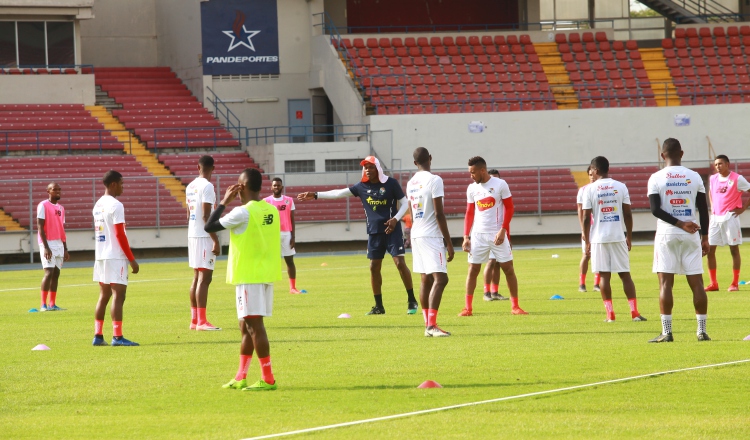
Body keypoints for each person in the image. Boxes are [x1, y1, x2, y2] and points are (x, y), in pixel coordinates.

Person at [298, 156, 417, 315]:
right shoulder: (361, 187)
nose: (367, 170)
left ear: (377, 168)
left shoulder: (390, 183)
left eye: (370, 167)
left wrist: (395, 220)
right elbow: (338, 193)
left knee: (399, 263)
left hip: (391, 230)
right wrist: (316, 194)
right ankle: (379, 306)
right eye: (365, 167)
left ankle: (411, 300)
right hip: (374, 232)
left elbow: (405, 203)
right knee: (374, 267)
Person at [205, 168, 281, 391]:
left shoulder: (242, 212)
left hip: (249, 275)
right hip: (264, 274)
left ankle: (268, 378)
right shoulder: (271, 209)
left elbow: (209, 226)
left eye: (238, 185)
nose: (235, 189)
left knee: (255, 326)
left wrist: (223, 202)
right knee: (245, 326)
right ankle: (241, 376)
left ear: (244, 187)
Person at [647, 138, 710, 343]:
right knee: (697, 282)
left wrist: (678, 223)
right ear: (681, 154)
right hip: (692, 232)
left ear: (662, 155)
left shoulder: (656, 177)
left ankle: (667, 332)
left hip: (667, 233)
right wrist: (705, 237)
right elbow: (703, 209)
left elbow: (656, 210)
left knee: (666, 283)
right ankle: (701, 331)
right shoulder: (694, 177)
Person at [458, 157, 527, 317]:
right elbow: (469, 212)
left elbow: (510, 208)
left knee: (508, 269)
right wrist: (466, 236)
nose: (471, 176)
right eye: (469, 173)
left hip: (497, 235)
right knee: (473, 269)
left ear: (482, 170)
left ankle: (515, 306)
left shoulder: (500, 185)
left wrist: (503, 230)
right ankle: (468, 308)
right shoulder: (471, 188)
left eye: (473, 172)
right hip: (477, 236)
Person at [581, 156, 645, 322]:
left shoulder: (589, 189)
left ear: (595, 170)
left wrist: (587, 240)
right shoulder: (621, 186)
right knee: (625, 275)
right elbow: (628, 213)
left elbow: (587, 217)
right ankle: (634, 312)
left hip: (598, 238)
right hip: (618, 236)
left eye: (592, 170)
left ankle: (610, 314)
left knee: (604, 277)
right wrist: (629, 236)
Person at [407, 147, 455, 336]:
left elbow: (411, 211)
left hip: (416, 233)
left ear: (414, 163)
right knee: (441, 278)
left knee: (425, 279)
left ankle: (427, 325)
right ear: (430, 158)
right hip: (431, 235)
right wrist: (449, 242)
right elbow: (439, 213)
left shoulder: (411, 182)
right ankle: (432, 326)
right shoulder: (435, 180)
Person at [92, 171, 140, 347]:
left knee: (103, 295)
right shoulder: (116, 205)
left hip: (101, 256)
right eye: (121, 183)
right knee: (118, 295)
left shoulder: (97, 205)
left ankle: (98, 335)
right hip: (115, 257)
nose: (123, 187)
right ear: (113, 184)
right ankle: (117, 337)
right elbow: (119, 234)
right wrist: (131, 259)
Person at [186, 155, 221, 331]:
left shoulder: (190, 186)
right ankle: (202, 321)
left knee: (196, 277)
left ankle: (194, 320)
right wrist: (215, 240)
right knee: (205, 279)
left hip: (192, 234)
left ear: (198, 167)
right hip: (203, 236)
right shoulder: (208, 186)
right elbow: (207, 216)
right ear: (212, 168)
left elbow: (188, 213)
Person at [706, 155, 750, 292]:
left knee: (733, 249)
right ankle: (714, 283)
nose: (717, 166)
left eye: (720, 164)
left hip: (730, 217)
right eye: (716, 164)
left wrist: (743, 208)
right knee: (710, 250)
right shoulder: (713, 179)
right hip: (715, 217)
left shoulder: (737, 178)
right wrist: (712, 206)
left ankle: (735, 283)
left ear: (727, 164)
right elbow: (710, 192)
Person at [264, 177, 305, 294]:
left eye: (278, 185)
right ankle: (266, 287)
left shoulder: (289, 200)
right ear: (271, 187)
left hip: (286, 234)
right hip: (272, 235)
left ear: (282, 187)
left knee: (290, 261)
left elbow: (292, 219)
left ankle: (292, 288)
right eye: (274, 185)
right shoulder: (266, 201)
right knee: (270, 261)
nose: (276, 187)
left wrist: (293, 237)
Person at [33, 182, 70, 312]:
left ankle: (52, 304)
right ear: (48, 191)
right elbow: (39, 226)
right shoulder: (43, 205)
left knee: (56, 273)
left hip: (59, 243)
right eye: (54, 189)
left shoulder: (61, 208)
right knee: (48, 272)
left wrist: (65, 248)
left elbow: (61, 229)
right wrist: (46, 247)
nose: (58, 191)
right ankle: (43, 304)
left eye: (59, 189)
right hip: (47, 243)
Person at [482, 169, 506, 301]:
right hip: (488, 233)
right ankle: (486, 293)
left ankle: (495, 292)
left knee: (498, 263)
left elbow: (506, 217)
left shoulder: (502, 197)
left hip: (500, 233)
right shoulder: (483, 196)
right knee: (491, 262)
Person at [577, 166, 601, 292]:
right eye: (590, 175)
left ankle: (596, 284)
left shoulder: (601, 189)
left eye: (593, 174)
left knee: (598, 255)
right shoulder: (583, 190)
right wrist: (582, 229)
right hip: (589, 228)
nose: (592, 177)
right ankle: (582, 284)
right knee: (586, 254)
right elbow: (580, 210)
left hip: (600, 227)